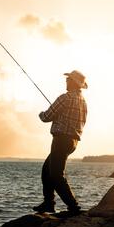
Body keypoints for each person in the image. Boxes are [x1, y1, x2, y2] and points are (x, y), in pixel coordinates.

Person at [33, 70, 88, 216]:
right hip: (73, 141)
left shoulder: (65, 98)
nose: (66, 81)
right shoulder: (83, 101)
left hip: (61, 140)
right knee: (47, 170)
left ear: (73, 82)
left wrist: (40, 114)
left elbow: (47, 116)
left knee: (56, 174)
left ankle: (73, 207)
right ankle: (48, 203)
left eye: (69, 79)